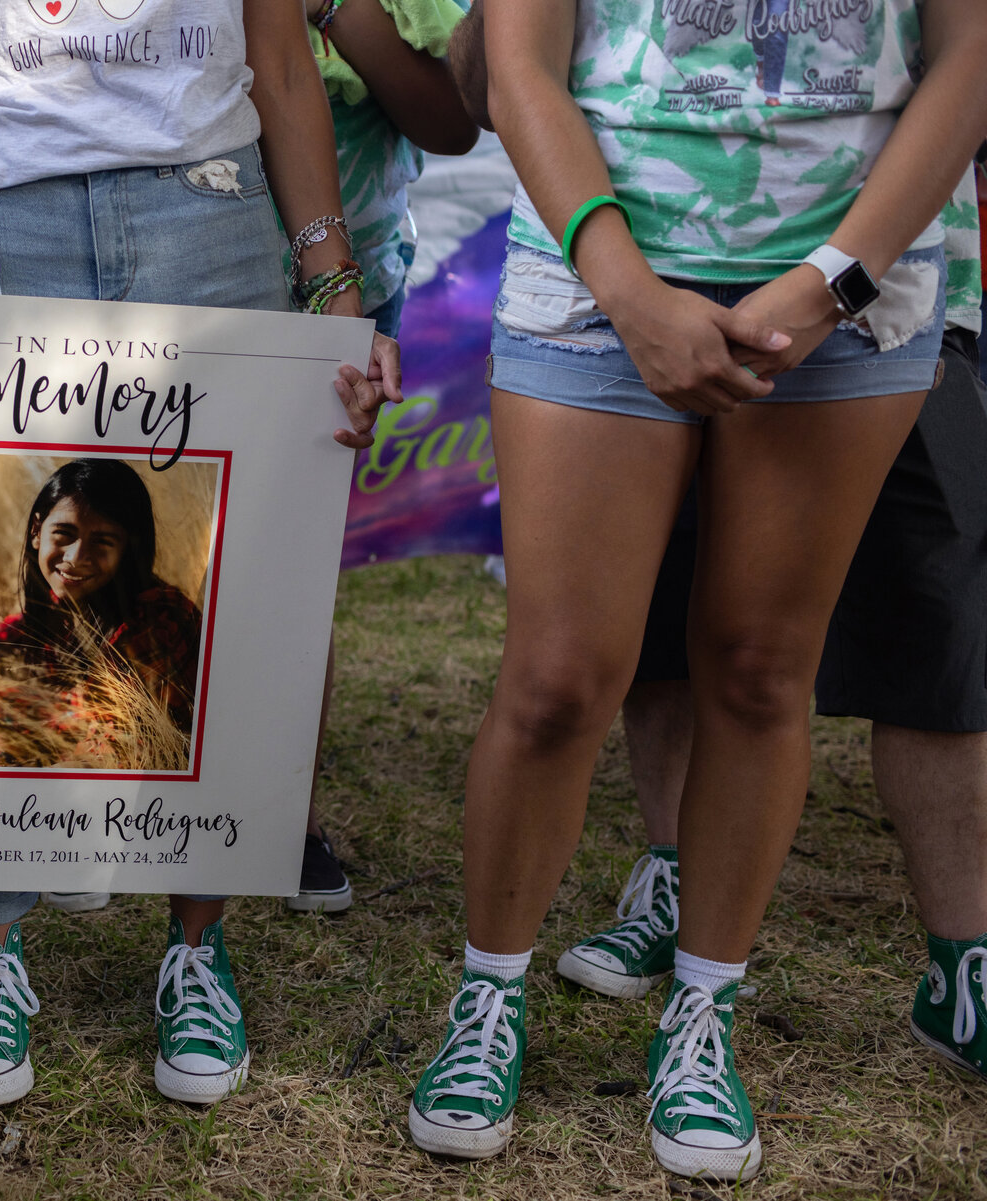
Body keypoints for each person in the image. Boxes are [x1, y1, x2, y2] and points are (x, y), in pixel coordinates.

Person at [0, 0, 397, 1108]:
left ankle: (197, 949)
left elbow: (283, 58)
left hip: (207, 205)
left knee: (223, 595)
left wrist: (334, 281)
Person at [415, 0, 987, 1181]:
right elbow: (517, 62)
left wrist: (829, 282)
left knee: (759, 667)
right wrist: (627, 290)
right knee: (558, 678)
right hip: (595, 277)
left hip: (848, 291)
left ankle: (705, 1012)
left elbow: (973, 50)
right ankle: (488, 1002)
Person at [560, 159, 987, 1084]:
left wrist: (841, 274)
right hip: (666, 277)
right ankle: (677, 877)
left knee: (940, 619)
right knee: (674, 600)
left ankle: (967, 967)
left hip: (906, 304)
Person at [291, 0, 477, 914]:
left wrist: (330, 10)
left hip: (345, 295)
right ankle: (99, 801)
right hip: (191, 272)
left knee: (291, 567)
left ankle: (284, 812)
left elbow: (451, 120)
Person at [0, 458, 203, 770]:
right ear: (37, 531)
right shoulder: (27, 629)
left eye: (103, 541)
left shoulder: (159, 620)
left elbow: (112, 754)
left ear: (128, 549)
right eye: (64, 533)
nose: (76, 557)